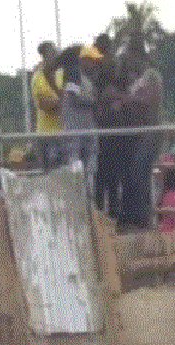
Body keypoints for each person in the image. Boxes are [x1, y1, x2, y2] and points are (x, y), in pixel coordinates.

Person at [117, 50, 164, 231]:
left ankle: (143, 216)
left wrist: (126, 99)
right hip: (142, 133)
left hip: (152, 131)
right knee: (137, 173)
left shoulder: (152, 76)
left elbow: (149, 98)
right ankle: (136, 214)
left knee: (141, 172)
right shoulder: (140, 80)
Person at [56, 45, 101, 175]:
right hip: (75, 127)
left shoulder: (86, 78)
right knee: (75, 163)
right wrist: (93, 103)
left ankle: (88, 192)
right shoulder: (74, 74)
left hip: (85, 127)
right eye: (91, 60)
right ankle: (79, 192)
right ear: (84, 60)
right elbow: (72, 97)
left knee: (90, 161)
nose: (94, 64)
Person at [92, 34, 124, 215]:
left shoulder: (106, 67)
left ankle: (104, 211)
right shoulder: (112, 65)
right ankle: (110, 212)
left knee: (103, 175)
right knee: (109, 175)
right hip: (109, 125)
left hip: (106, 125)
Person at [31, 41, 63, 168]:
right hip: (46, 135)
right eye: (51, 53)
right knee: (51, 175)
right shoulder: (38, 77)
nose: (55, 56)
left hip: (64, 134)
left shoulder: (61, 74)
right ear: (44, 56)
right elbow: (44, 105)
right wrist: (61, 101)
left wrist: (59, 101)